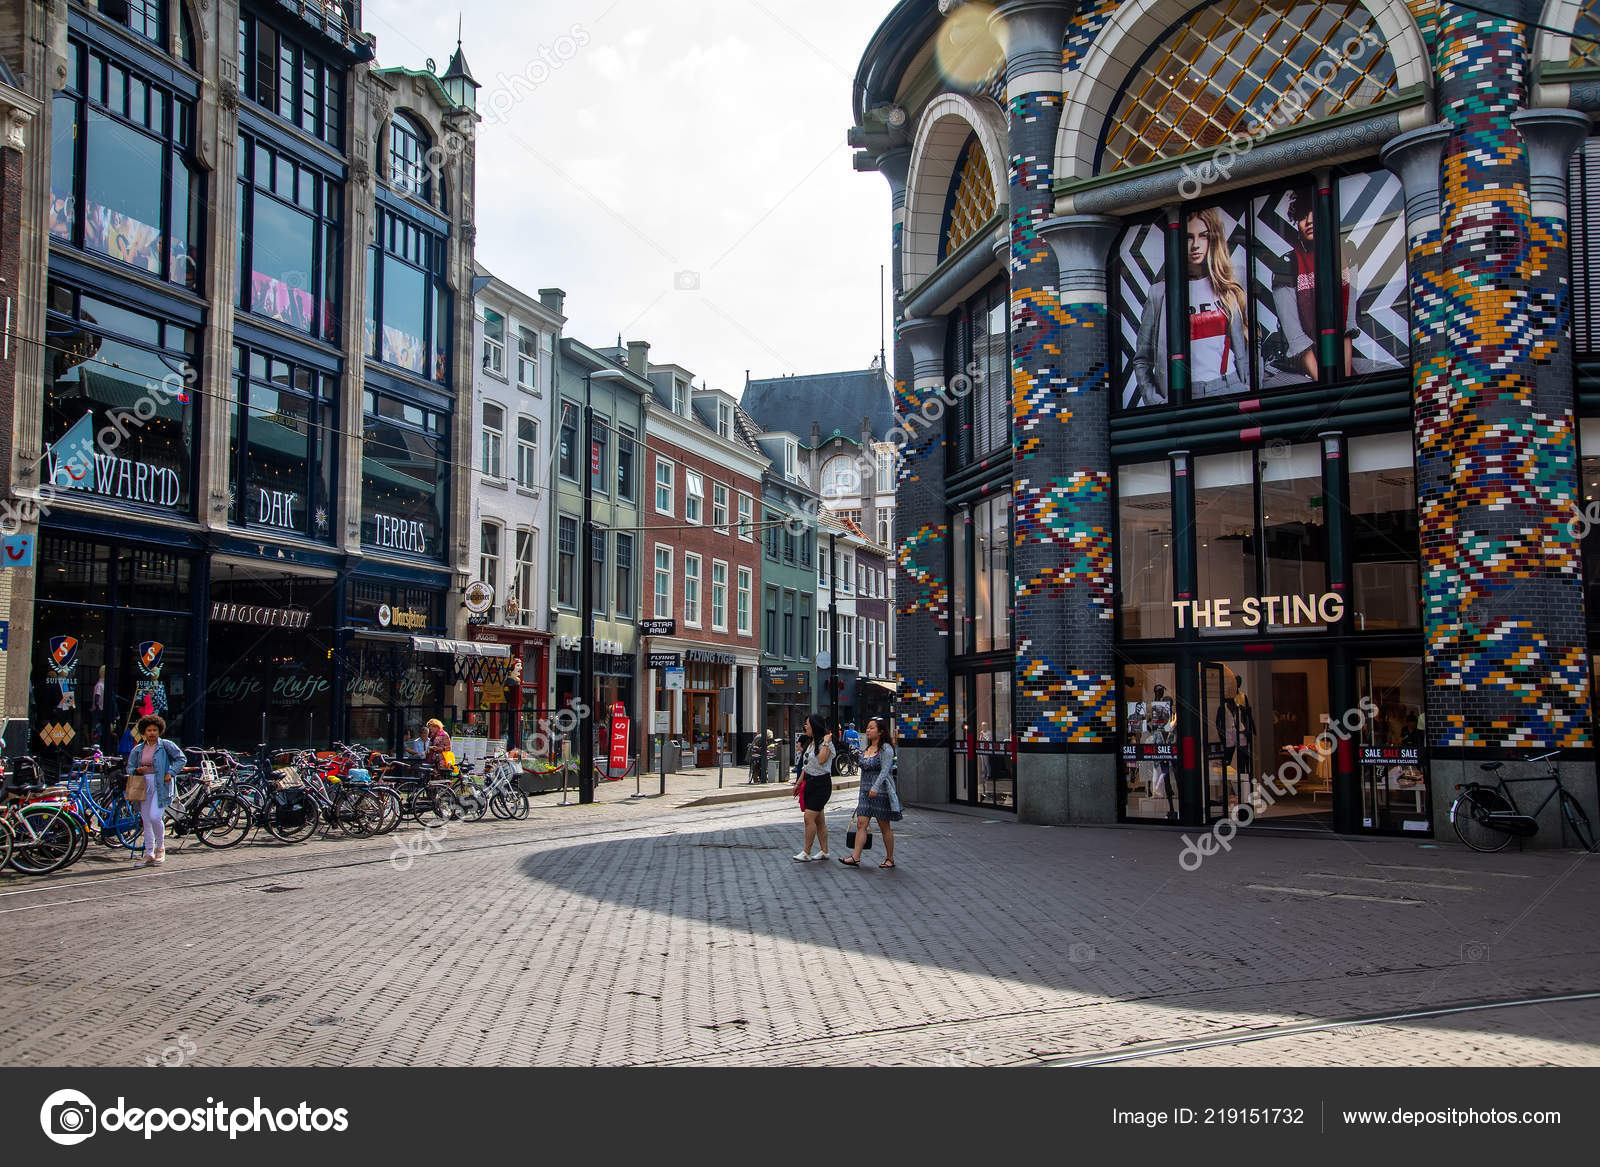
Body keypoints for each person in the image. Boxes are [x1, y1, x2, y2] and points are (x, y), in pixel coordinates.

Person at [1132, 205, 1250, 405]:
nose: (1195, 245)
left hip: (1230, 386)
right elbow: (1142, 359)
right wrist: (1156, 402)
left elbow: (1249, 342)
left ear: (1213, 239)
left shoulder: (1228, 287)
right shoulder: (1159, 293)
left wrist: (1247, 386)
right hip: (1184, 394)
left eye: (1203, 236)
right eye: (1188, 237)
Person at [1269, 187, 1355, 382]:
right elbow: (1296, 338)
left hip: (1339, 362)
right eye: (1302, 216)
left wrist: (1346, 382)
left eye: (1313, 213)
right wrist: (1326, 386)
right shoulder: (1285, 265)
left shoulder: (1345, 254)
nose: (1308, 221)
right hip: (1299, 368)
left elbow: (1347, 326)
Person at [124, 714, 185, 866]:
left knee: (154, 816)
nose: (152, 733)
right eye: (149, 730)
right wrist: (136, 770)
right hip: (144, 784)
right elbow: (130, 767)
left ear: (159, 731)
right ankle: (149, 853)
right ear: (144, 732)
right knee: (146, 819)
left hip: (161, 784)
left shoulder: (166, 745)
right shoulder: (138, 749)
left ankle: (160, 848)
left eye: (155, 730)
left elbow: (181, 759)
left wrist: (171, 772)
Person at [841, 717, 901, 869]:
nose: (868, 730)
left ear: (880, 732)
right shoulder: (866, 748)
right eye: (867, 728)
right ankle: (855, 857)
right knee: (861, 823)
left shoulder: (886, 748)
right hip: (865, 791)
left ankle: (890, 858)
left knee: (884, 825)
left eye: (872, 728)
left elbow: (885, 770)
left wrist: (875, 787)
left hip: (880, 791)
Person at [793, 714, 833, 861]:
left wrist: (827, 742)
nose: (805, 727)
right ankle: (824, 851)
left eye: (808, 724)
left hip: (821, 784)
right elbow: (807, 766)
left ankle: (806, 852)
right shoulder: (811, 743)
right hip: (810, 782)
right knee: (819, 820)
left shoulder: (826, 743)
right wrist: (798, 783)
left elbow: (821, 760)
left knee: (808, 817)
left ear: (815, 726)